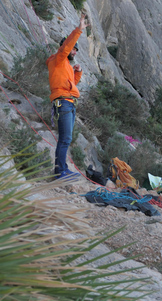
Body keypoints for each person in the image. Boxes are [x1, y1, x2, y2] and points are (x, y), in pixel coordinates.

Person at [47, 13, 89, 179]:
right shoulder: (58, 59)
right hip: (63, 102)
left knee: (67, 138)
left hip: (69, 102)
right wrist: (79, 29)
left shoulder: (65, 66)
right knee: (65, 139)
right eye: (74, 49)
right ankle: (59, 172)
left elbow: (72, 86)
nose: (75, 52)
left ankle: (63, 169)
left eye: (76, 50)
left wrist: (77, 72)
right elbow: (66, 47)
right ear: (65, 47)